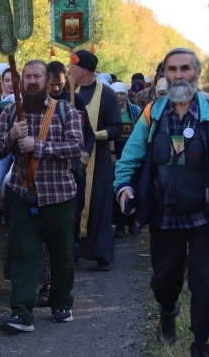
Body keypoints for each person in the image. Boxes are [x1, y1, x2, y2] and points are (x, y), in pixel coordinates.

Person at [115, 48, 209, 357]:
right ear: (164, 74)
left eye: (185, 69)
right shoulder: (152, 113)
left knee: (205, 284)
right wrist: (124, 187)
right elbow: (130, 157)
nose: (179, 75)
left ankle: (200, 342)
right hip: (165, 217)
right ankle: (168, 312)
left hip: (206, 216)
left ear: (196, 73)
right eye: (172, 69)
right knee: (165, 281)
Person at [0, 60, 83, 332]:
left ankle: (61, 303)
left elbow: (76, 147)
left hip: (59, 196)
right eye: (27, 77)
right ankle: (21, 313)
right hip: (21, 195)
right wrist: (10, 137)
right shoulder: (9, 113)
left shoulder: (65, 110)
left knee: (62, 255)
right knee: (23, 254)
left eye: (36, 76)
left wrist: (37, 146)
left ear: (46, 80)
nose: (31, 81)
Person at [73, 50, 123, 271]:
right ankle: (74, 250)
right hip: (74, 157)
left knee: (100, 204)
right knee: (74, 204)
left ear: (84, 69)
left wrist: (94, 135)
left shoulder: (108, 94)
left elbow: (116, 128)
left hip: (99, 159)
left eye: (73, 67)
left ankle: (102, 255)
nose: (69, 70)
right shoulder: (70, 92)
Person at [46, 61, 95, 268]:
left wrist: (85, 153)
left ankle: (71, 249)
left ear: (65, 79)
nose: (56, 89)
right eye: (52, 84)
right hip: (49, 166)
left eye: (59, 84)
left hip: (73, 166)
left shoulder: (76, 100)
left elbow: (89, 133)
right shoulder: (41, 102)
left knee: (74, 213)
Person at [111, 81, 141, 238]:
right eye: (116, 94)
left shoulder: (135, 111)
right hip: (116, 152)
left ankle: (133, 222)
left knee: (134, 186)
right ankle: (120, 225)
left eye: (122, 93)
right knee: (119, 188)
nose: (119, 97)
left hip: (133, 152)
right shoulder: (110, 111)